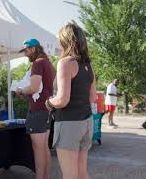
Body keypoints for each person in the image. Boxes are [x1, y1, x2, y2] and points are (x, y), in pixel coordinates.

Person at [46, 22, 96, 179]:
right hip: (86, 121)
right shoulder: (88, 65)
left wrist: (48, 102)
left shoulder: (66, 62)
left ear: (65, 40)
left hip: (69, 123)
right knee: (82, 172)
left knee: (70, 175)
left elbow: (62, 100)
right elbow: (93, 98)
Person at [16, 38, 55, 179]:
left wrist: (20, 91)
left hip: (38, 111)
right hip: (46, 110)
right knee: (44, 149)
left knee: (39, 151)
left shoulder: (38, 63)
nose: (25, 54)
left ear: (33, 49)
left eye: (26, 51)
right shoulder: (48, 63)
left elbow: (33, 88)